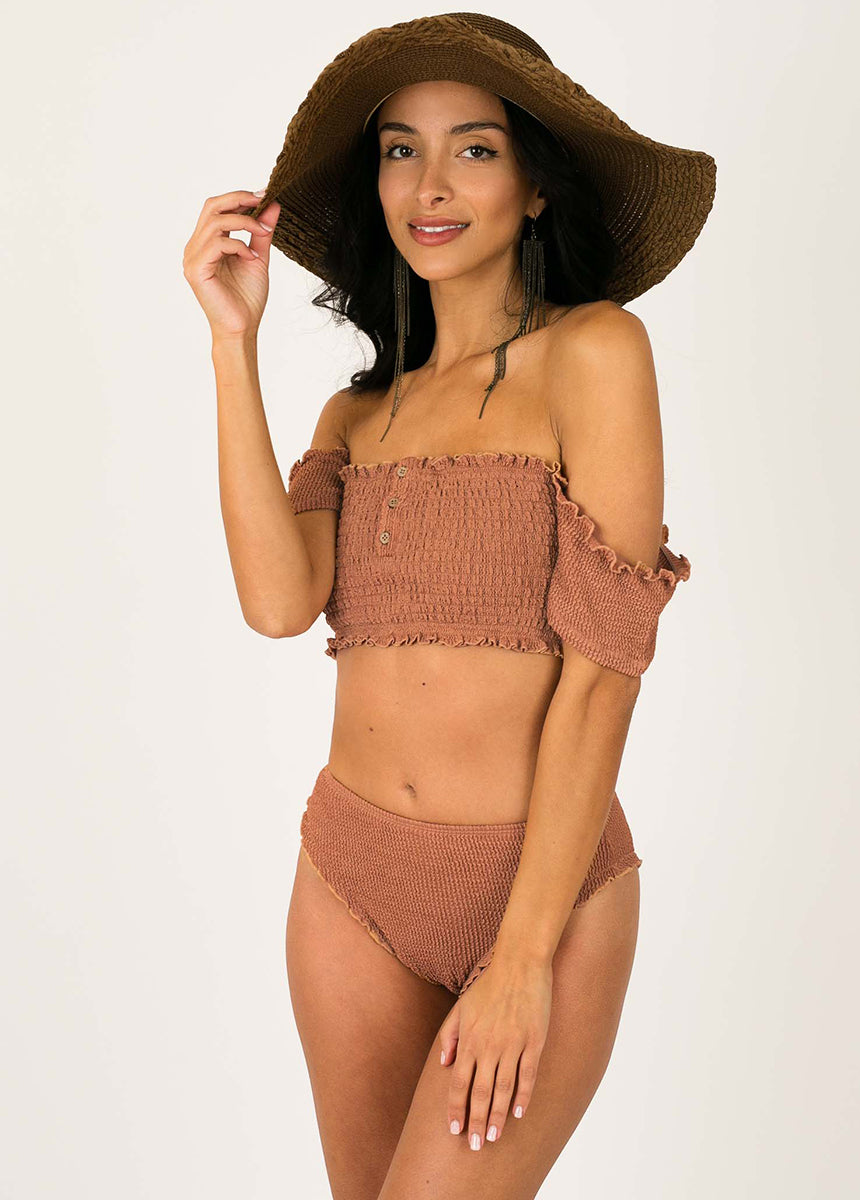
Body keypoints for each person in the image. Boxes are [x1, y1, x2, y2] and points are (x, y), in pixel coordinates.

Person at [183, 13, 715, 1198]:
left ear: (535, 187)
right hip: (348, 882)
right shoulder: (353, 415)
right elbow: (275, 604)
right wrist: (231, 345)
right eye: (398, 150)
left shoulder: (594, 352)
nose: (428, 184)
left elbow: (604, 675)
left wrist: (520, 956)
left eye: (473, 149)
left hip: (541, 889)